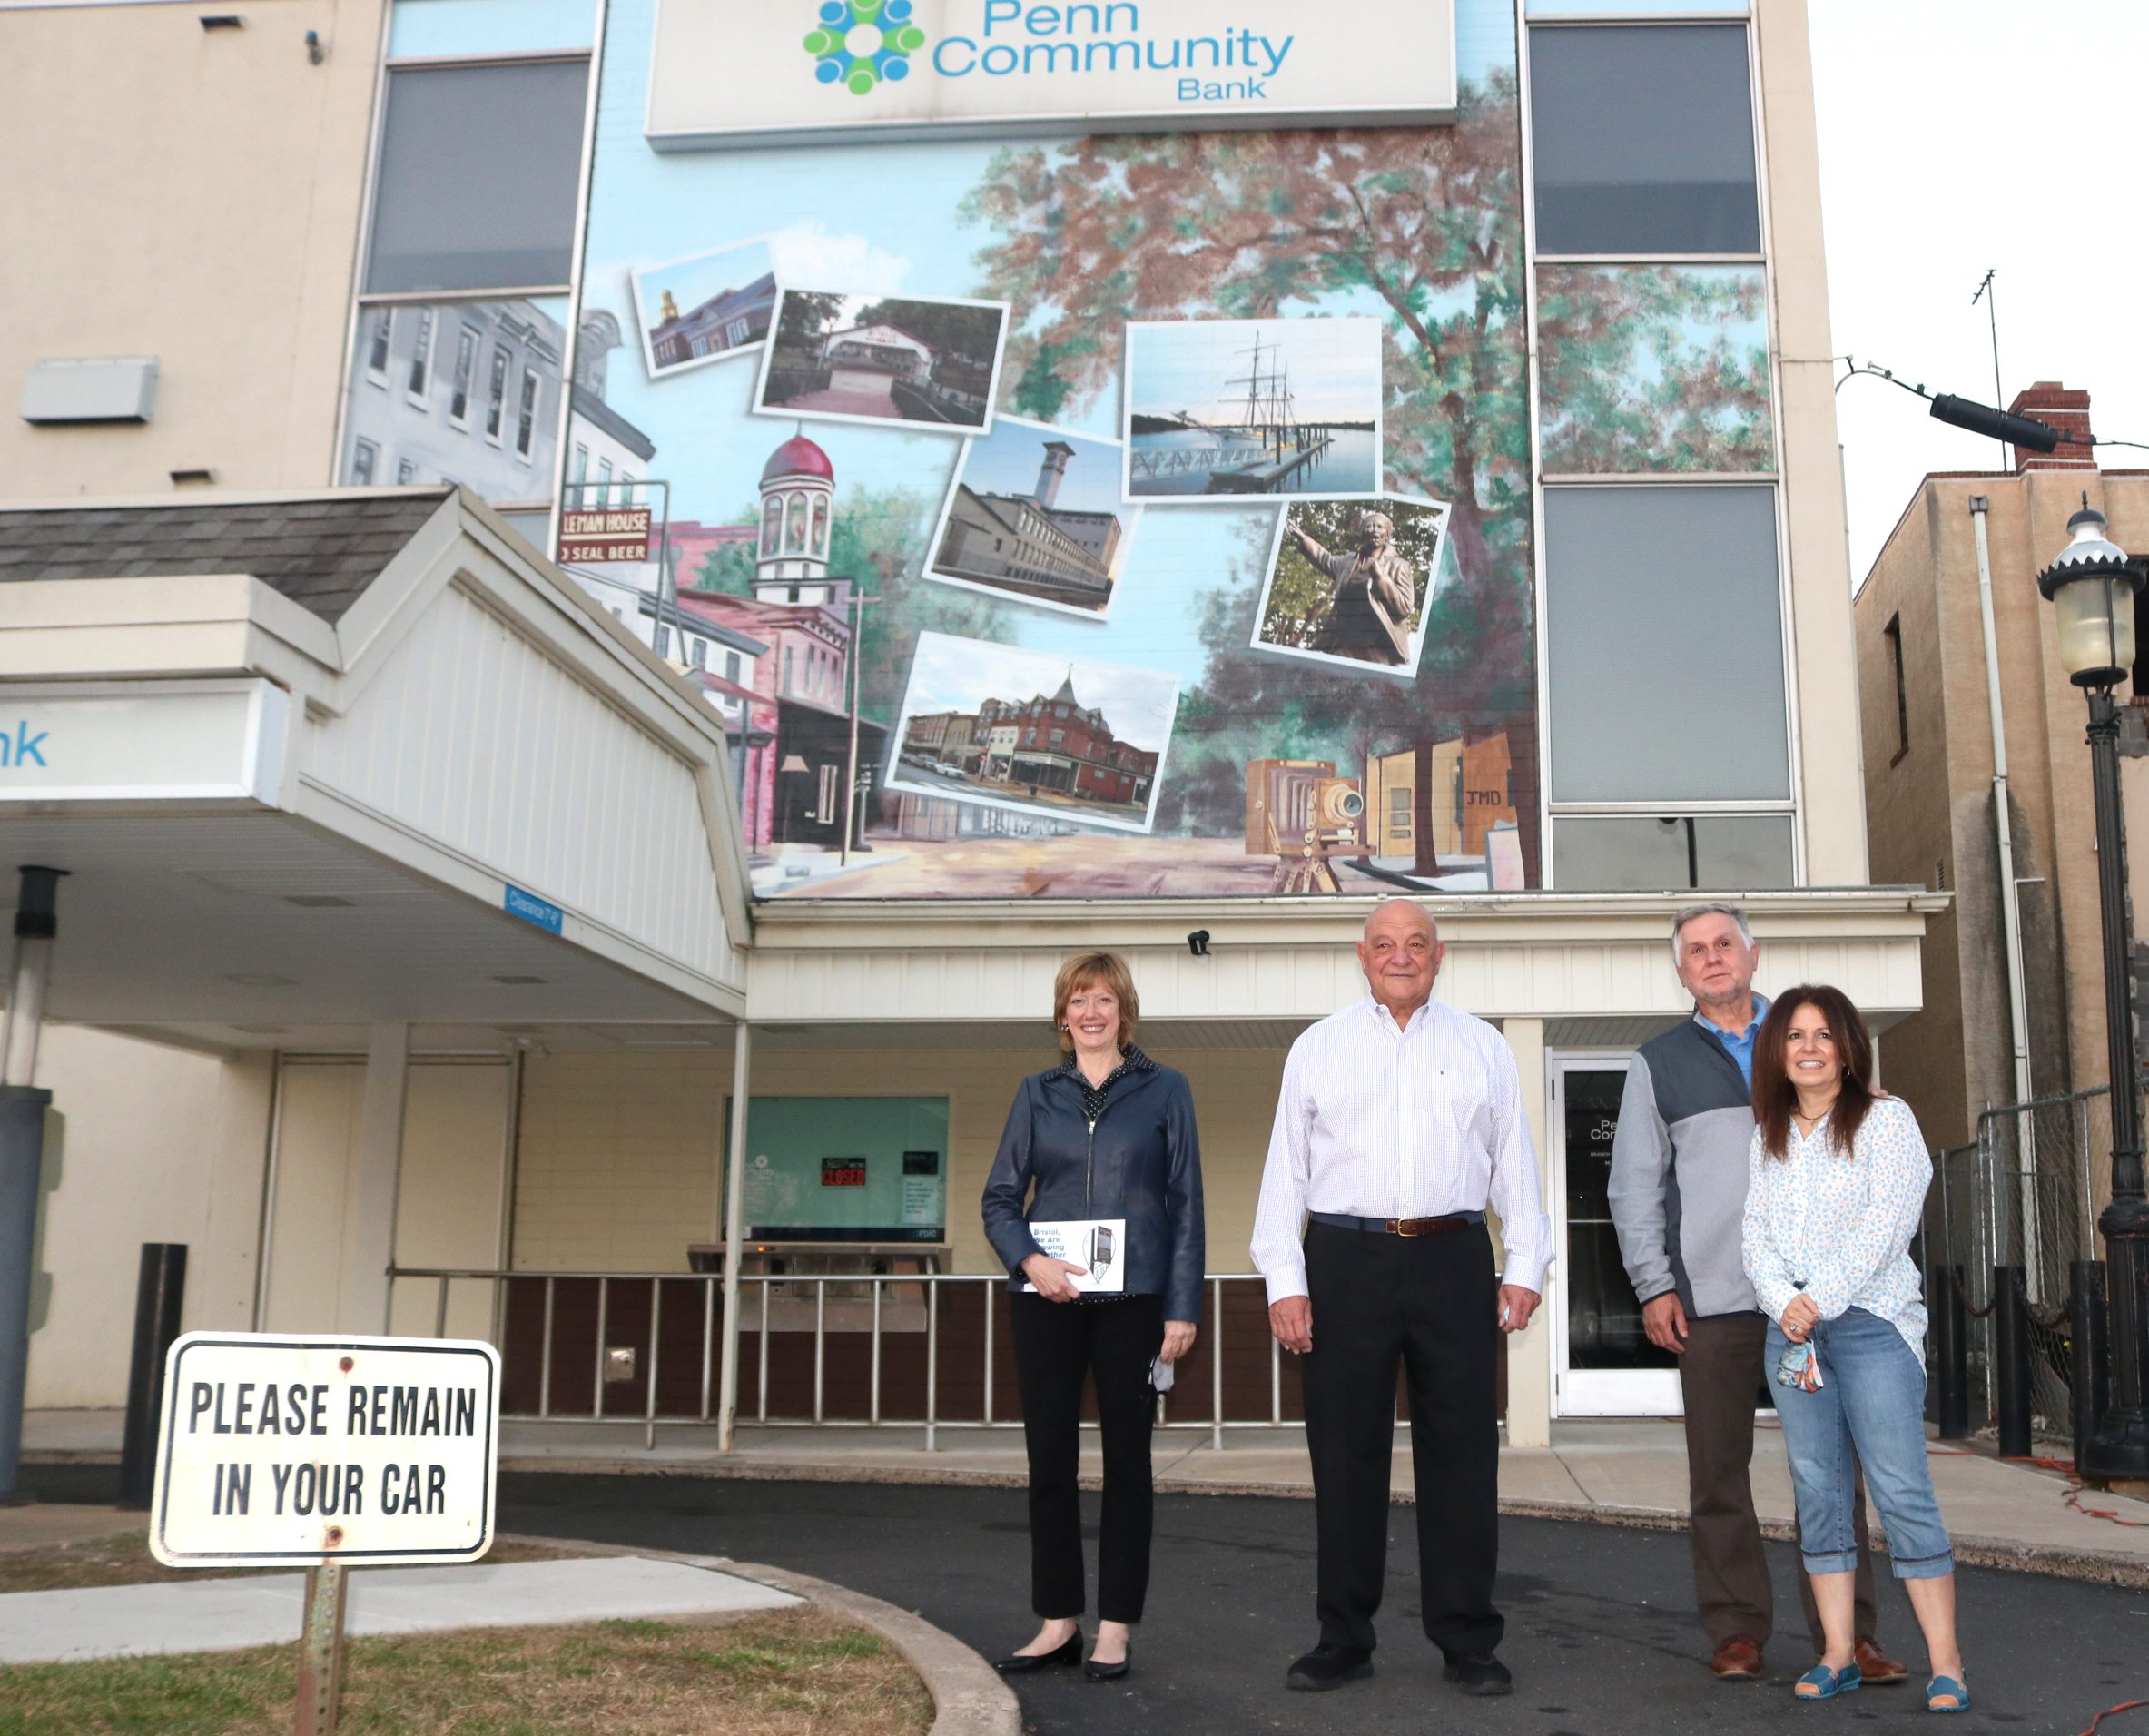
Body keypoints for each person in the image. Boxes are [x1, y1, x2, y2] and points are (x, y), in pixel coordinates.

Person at [1250, 898, 1549, 1698]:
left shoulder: (1481, 1045)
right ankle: (1342, 1639)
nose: (1400, 955)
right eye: (1384, 943)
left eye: (1416, 943)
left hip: (1453, 1255)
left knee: (1461, 1457)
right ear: (1362, 955)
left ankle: (1467, 1640)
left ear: (1439, 955)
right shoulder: (1318, 1048)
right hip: (1344, 1261)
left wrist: (1525, 1264)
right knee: (1345, 1458)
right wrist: (1286, 1280)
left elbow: (1512, 1163)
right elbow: (1286, 1172)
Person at [1608, 905, 1905, 1685]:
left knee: (1831, 1474)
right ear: (1680, 971)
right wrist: (1654, 1286)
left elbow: (1869, 1156)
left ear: (1752, 953)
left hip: (1821, 1301)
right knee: (1717, 1475)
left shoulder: (1811, 1039)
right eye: (1695, 951)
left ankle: (1850, 1636)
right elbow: (1634, 1186)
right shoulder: (1657, 1062)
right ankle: (1737, 1629)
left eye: (1723, 945)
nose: (1711, 960)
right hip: (1713, 1302)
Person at [980, 951, 1205, 1683]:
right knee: (1049, 1462)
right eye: (1078, 1000)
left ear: (1123, 1011)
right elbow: (999, 1200)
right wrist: (1029, 1261)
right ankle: (1056, 1623)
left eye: (1103, 999)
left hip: (1133, 1304)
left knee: (1127, 1468)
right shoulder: (1035, 1093)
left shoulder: (1166, 1090)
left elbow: (1184, 1208)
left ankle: (1114, 1628)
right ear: (1061, 1015)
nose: (1090, 1012)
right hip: (1046, 1303)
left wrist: (1181, 1305)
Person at [1741, 985, 1967, 1713]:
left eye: (1823, 1034)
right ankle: (1836, 1653)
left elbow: (1889, 1219)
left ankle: (1946, 1664)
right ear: (1776, 1050)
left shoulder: (1884, 1119)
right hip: (1793, 1332)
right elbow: (1754, 1236)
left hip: (1870, 1326)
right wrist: (1784, 1303)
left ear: (1845, 1048)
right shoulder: (1766, 1135)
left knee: (1900, 1490)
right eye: (1794, 1034)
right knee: (1818, 1491)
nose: (1808, 1047)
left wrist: (1819, 1298)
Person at [1286, 510, 1415, 666]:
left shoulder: (1398, 565)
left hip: (1377, 646)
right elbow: (1324, 558)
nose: (1375, 530)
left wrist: (1381, 579)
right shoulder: (1348, 561)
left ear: (1387, 535)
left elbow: (1404, 608)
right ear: (1362, 532)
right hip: (1344, 641)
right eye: (1370, 526)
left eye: (1380, 527)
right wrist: (1303, 538)